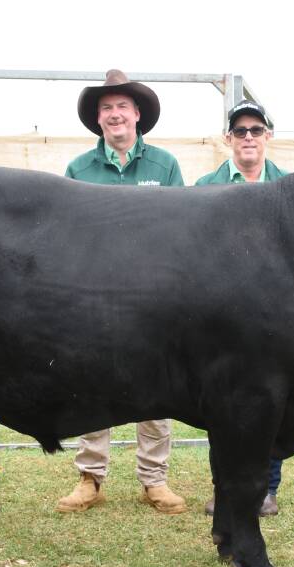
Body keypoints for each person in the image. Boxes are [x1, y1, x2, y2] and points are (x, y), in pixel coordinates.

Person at [57, 70, 186, 514]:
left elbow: (181, 230)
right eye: (106, 108)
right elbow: (70, 234)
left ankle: (155, 480)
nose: (115, 114)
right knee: (94, 382)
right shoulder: (78, 168)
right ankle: (90, 478)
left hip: (153, 296)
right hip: (95, 293)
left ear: (137, 115)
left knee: (158, 387)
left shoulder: (165, 165)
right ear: (99, 118)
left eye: (122, 107)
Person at [195, 99, 287, 517]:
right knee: (222, 406)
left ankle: (267, 487)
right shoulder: (204, 188)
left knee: (273, 402)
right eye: (240, 131)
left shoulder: (290, 189)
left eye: (255, 130)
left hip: (276, 318)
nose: (248, 138)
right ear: (228, 138)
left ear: (268, 135)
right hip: (222, 317)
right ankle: (223, 486)